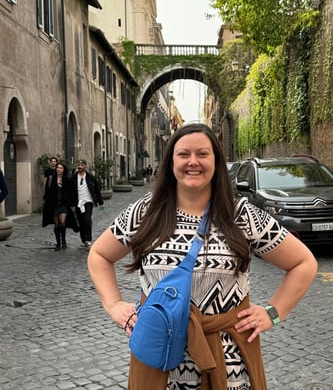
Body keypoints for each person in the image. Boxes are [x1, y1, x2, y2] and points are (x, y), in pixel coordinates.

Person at [87, 124, 318, 390]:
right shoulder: (146, 212)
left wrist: (273, 313)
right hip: (158, 359)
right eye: (183, 154)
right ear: (171, 161)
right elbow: (100, 255)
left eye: (202, 154)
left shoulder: (241, 215)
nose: (193, 162)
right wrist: (114, 305)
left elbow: (303, 263)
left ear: (216, 162)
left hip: (227, 364)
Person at [42, 162, 77, 251]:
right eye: (57, 167)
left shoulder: (67, 180)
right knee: (57, 224)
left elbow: (71, 192)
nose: (59, 169)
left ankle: (64, 241)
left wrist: (72, 204)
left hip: (64, 204)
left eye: (61, 168)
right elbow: (47, 192)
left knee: (62, 221)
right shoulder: (51, 180)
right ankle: (58, 243)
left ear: (63, 170)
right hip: (54, 204)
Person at [72, 159, 104, 249]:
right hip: (78, 202)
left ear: (85, 166)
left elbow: (97, 189)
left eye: (82, 165)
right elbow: (71, 191)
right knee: (81, 221)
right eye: (79, 165)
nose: (80, 166)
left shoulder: (90, 177)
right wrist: (72, 204)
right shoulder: (74, 177)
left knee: (87, 219)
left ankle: (88, 240)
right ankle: (83, 240)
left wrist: (100, 202)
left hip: (88, 201)